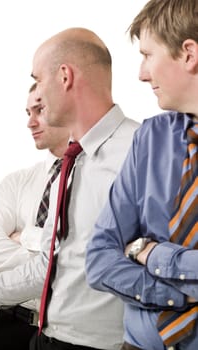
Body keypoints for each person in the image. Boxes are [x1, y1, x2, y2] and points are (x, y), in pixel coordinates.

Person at [0, 28, 140, 350]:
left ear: (65, 76)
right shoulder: (72, 163)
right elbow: (50, 264)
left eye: (37, 80)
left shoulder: (143, 151)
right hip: (48, 339)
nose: (36, 96)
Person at [85, 1, 198, 349]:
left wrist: (150, 253)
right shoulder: (150, 138)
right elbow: (100, 258)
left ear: (189, 53)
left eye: (148, 55)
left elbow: (122, 251)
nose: (141, 73)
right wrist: (178, 297)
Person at [0, 83, 69, 350]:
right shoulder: (16, 182)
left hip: (66, 332)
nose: (30, 122)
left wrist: (24, 236)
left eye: (40, 110)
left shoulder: (94, 177)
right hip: (9, 328)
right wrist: (50, 259)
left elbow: (83, 257)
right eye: (28, 112)